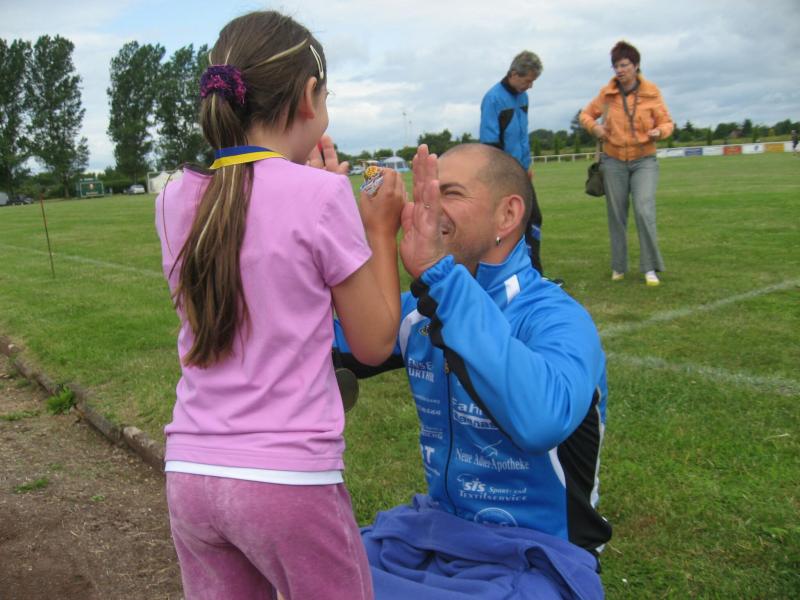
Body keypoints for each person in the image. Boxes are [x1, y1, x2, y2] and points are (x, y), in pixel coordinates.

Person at [155, 11, 406, 600]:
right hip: (287, 479)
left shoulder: (174, 198)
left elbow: (256, 221)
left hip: (191, 472)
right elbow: (374, 342)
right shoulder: (322, 194)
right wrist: (378, 229)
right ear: (309, 96)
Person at [335, 143, 611, 599]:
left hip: (538, 556)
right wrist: (318, 221)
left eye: (450, 193)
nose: (428, 206)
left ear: (508, 215)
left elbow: (540, 419)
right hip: (434, 535)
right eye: (425, 192)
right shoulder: (419, 313)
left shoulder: (557, 319)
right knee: (309, 572)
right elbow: (308, 342)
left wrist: (439, 276)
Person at [580, 40, 673, 286]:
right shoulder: (607, 94)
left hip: (644, 160)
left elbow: (667, 122)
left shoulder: (652, 93)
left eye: (624, 65)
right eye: (616, 66)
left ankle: (650, 268)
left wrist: (660, 132)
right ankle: (618, 266)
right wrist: (595, 128)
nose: (619, 70)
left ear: (636, 65)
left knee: (644, 209)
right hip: (613, 161)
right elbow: (586, 115)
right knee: (616, 215)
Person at [480, 51, 547, 276]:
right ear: (514, 74)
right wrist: (505, 175)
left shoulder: (523, 97)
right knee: (509, 225)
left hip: (522, 173)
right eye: (528, 80)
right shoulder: (493, 99)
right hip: (504, 176)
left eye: (533, 81)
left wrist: (526, 166)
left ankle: (534, 273)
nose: (530, 86)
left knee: (533, 219)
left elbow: (522, 136)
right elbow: (490, 143)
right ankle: (510, 273)